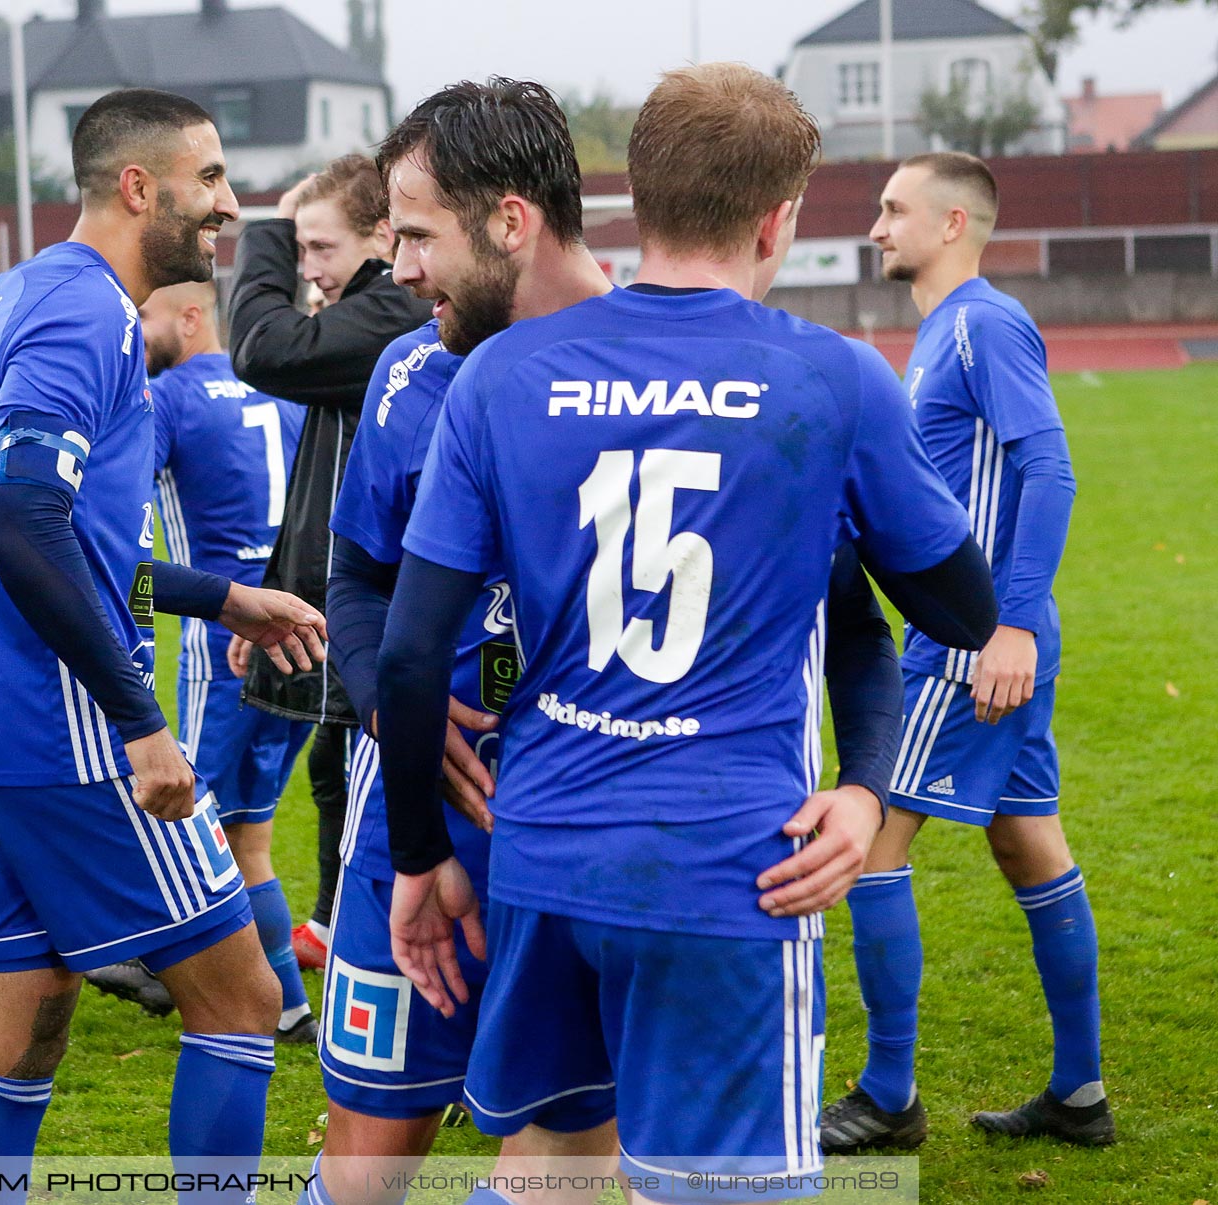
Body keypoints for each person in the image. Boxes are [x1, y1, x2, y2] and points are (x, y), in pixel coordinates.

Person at [308, 78, 999, 1205]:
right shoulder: (824, 378)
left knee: (559, 1158)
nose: (403, 266)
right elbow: (957, 612)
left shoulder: (501, 379)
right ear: (779, 219)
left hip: (542, 847)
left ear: (628, 200)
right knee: (526, 1163)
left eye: (418, 232)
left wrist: (423, 847)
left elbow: (414, 645)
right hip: (710, 863)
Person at [0, 88, 327, 1184]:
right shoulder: (87, 311)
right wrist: (140, 719)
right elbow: (24, 523)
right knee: (243, 1002)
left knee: (24, 1024)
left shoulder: (6, 300)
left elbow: (63, 538)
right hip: (74, 732)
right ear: (138, 186)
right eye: (210, 179)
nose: (228, 206)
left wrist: (220, 597)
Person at [820, 152, 1106, 1152]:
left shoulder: (983, 322)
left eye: (894, 208)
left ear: (952, 224)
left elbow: (1051, 465)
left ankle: (888, 1094)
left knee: (866, 850)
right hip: (979, 639)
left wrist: (1010, 624)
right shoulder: (940, 332)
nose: (876, 225)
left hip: (969, 646)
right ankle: (1080, 1094)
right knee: (1027, 839)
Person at [84, 281, 318, 1041]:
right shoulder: (283, 395)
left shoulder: (170, 399)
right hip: (303, 647)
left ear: (191, 317)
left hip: (225, 653)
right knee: (248, 837)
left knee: (189, 826)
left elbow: (117, 523)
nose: (139, 329)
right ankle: (285, 1004)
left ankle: (169, 965)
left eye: (148, 314)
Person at [228, 154, 431, 972]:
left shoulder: (389, 311)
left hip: (387, 600)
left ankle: (366, 943)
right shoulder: (364, 312)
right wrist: (275, 592)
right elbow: (321, 479)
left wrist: (270, 228)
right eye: (299, 248)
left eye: (319, 247)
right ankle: (336, 923)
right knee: (334, 759)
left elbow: (261, 345)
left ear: (382, 238)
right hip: (337, 594)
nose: (307, 270)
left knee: (361, 768)